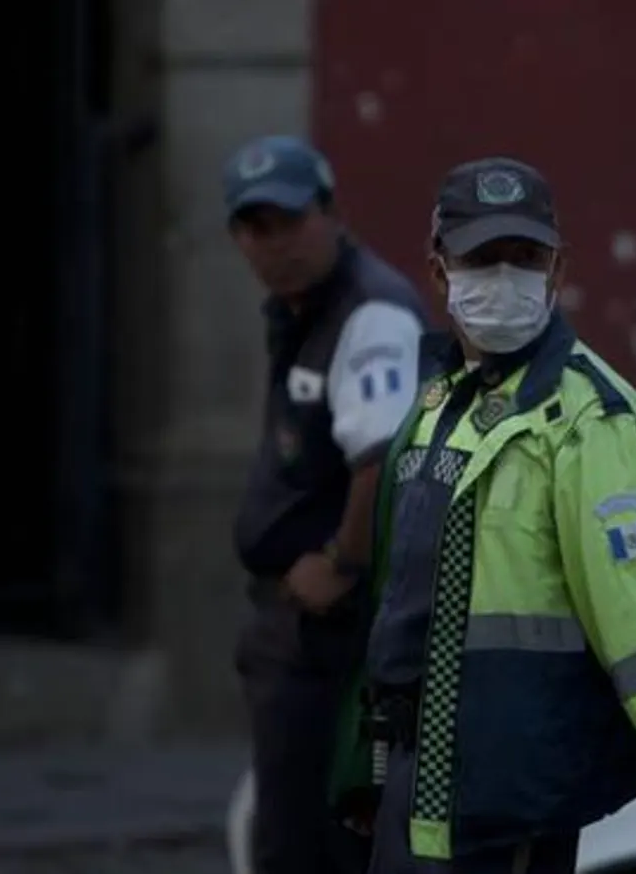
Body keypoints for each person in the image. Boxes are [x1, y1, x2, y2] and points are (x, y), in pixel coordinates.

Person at [330, 155, 636, 874]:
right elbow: (401, 602)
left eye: (525, 257)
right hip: (418, 785)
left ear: (557, 269)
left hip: (507, 792)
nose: (504, 277)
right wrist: (371, 758)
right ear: (439, 270)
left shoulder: (586, 417)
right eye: (482, 257)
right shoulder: (439, 403)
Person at [224, 134, 427, 874]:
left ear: (332, 212)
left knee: (311, 845)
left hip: (333, 636)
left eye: (290, 220)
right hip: (299, 632)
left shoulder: (369, 313)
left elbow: (385, 460)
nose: (274, 242)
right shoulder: (304, 308)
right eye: (256, 226)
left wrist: (341, 560)